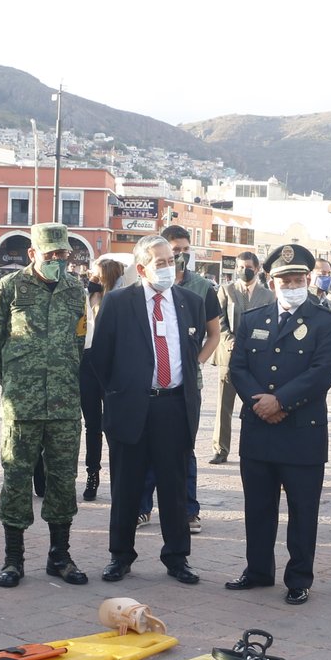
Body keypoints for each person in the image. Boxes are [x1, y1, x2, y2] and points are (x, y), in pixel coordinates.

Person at [225, 243, 331, 605]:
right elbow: (238, 367)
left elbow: (323, 372)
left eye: (297, 279)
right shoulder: (252, 319)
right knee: (258, 507)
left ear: (307, 279)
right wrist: (259, 402)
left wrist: (280, 401)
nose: (291, 285)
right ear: (271, 281)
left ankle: (299, 578)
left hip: (302, 431)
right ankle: (258, 570)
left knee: (303, 511)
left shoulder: (327, 321)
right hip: (259, 428)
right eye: (284, 280)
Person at [90, 235, 205, 586]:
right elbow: (100, 357)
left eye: (172, 260)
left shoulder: (190, 302)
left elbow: (192, 352)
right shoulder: (118, 302)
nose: (169, 267)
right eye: (161, 262)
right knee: (126, 486)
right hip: (131, 406)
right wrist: (121, 392)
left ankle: (177, 558)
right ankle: (120, 556)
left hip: (174, 406)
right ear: (141, 269)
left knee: (174, 487)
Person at [0, 222, 90, 588]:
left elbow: (79, 341)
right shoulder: (9, 288)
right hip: (22, 406)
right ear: (33, 254)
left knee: (63, 479)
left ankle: (60, 556)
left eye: (63, 254)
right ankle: (13, 559)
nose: (58, 260)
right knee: (16, 478)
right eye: (51, 254)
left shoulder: (75, 290)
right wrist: (15, 378)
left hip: (64, 404)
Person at [137, 224, 220, 534]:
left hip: (185, 385)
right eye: (174, 251)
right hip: (148, 386)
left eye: (184, 251)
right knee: (146, 447)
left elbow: (214, 334)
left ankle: (188, 510)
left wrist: (195, 363)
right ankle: (142, 507)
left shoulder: (202, 288)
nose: (180, 257)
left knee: (184, 448)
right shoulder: (141, 286)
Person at [211, 250, 272, 466]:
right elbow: (218, 319)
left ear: (257, 269)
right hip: (229, 356)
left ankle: (256, 448)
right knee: (223, 406)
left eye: (248, 267)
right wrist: (230, 340)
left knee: (256, 405)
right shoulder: (226, 290)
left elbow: (269, 323)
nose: (244, 271)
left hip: (256, 359)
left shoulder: (267, 295)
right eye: (240, 267)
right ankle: (220, 449)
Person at [81, 258, 128, 501]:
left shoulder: (120, 301)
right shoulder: (85, 297)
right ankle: (93, 474)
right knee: (92, 425)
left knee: (113, 424)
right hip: (87, 365)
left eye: (97, 275)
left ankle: (120, 477)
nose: (92, 277)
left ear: (108, 277)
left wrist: (100, 300)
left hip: (111, 367)